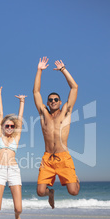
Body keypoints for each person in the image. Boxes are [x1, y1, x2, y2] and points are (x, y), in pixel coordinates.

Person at [33, 57, 80, 209]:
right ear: (47, 103)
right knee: (40, 192)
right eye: (50, 100)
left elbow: (74, 88)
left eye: (56, 99)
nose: (53, 101)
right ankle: (50, 193)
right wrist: (39, 70)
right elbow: (36, 92)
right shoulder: (43, 114)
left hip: (63, 157)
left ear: (60, 102)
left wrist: (63, 70)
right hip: (48, 158)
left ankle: (75, 179)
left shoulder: (66, 112)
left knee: (73, 192)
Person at [0, 87, 25, 219]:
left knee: (19, 208)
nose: (9, 127)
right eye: (7, 125)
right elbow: (0, 114)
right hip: (0, 170)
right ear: (3, 126)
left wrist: (22, 102)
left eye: (11, 126)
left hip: (14, 170)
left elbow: (20, 119)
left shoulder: (16, 137)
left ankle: (17, 216)